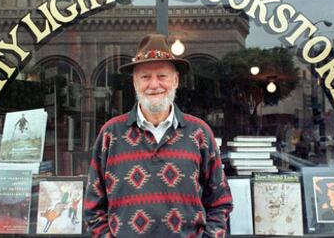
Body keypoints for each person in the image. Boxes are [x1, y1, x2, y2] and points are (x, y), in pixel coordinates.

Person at [84, 34, 233, 237]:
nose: (154, 85)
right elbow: (93, 207)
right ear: (135, 83)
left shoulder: (200, 133)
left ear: (176, 80)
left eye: (162, 76)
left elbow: (220, 202)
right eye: (145, 77)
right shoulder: (110, 134)